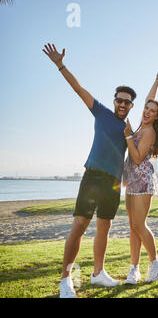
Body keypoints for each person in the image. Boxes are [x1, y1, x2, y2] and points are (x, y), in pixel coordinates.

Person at [43, 43, 135, 298]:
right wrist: (61, 65)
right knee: (80, 225)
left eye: (127, 102)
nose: (123, 104)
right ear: (114, 100)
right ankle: (65, 280)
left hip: (114, 183)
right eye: (120, 100)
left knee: (104, 227)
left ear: (131, 106)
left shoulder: (130, 131)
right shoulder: (101, 112)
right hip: (93, 176)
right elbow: (78, 89)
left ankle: (98, 273)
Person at [123, 66, 158, 285]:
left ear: (157, 116)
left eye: (152, 110)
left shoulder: (149, 131)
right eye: (146, 108)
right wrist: (157, 78)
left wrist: (128, 137)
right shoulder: (142, 125)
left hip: (142, 182)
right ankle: (134, 269)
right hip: (131, 181)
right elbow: (150, 99)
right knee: (133, 226)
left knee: (139, 225)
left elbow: (139, 158)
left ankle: (155, 260)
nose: (147, 111)